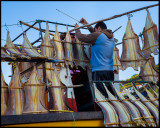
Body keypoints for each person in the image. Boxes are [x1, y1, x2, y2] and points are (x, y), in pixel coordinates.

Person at [74, 18, 115, 99]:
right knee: (111, 94)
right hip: (110, 71)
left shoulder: (98, 36)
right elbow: (95, 33)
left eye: (96, 30)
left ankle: (106, 111)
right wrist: (86, 23)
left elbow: (81, 38)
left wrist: (77, 29)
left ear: (99, 28)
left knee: (103, 96)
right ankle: (115, 109)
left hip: (99, 71)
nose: (94, 31)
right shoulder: (111, 37)